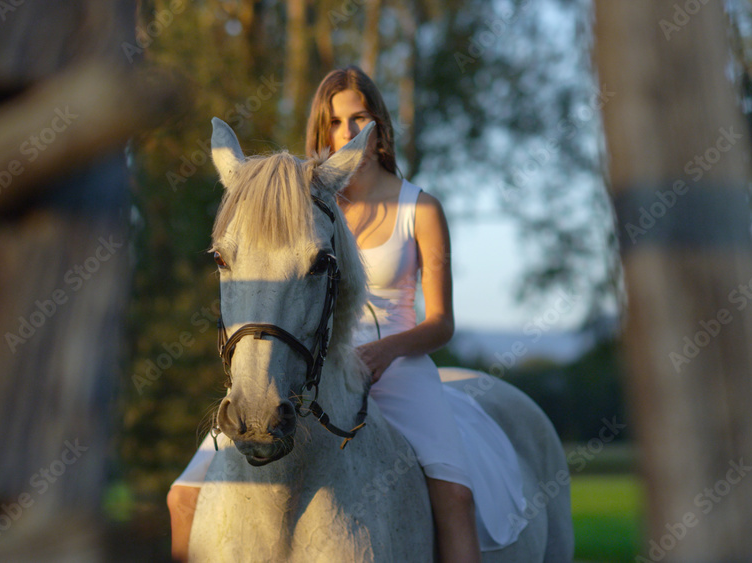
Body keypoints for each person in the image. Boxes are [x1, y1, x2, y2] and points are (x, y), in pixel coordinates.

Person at [168, 66, 526, 562]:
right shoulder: (303, 202)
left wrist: (383, 351)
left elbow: (441, 322)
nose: (348, 131)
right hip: (309, 356)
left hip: (396, 363)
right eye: (335, 122)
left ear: (379, 125)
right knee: (182, 496)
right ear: (322, 129)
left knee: (455, 493)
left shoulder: (420, 209)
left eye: (360, 117)